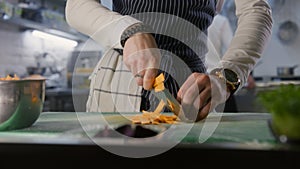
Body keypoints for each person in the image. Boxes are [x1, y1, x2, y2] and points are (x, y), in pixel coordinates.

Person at [65, 0, 273, 122]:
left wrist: (227, 75)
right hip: (120, 82)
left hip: (192, 88)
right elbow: (76, 5)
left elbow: (256, 11)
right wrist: (129, 31)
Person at [206, 14, 237, 112]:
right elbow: (232, 50)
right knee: (229, 123)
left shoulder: (189, 17)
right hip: (218, 79)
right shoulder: (221, 20)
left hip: (194, 80)